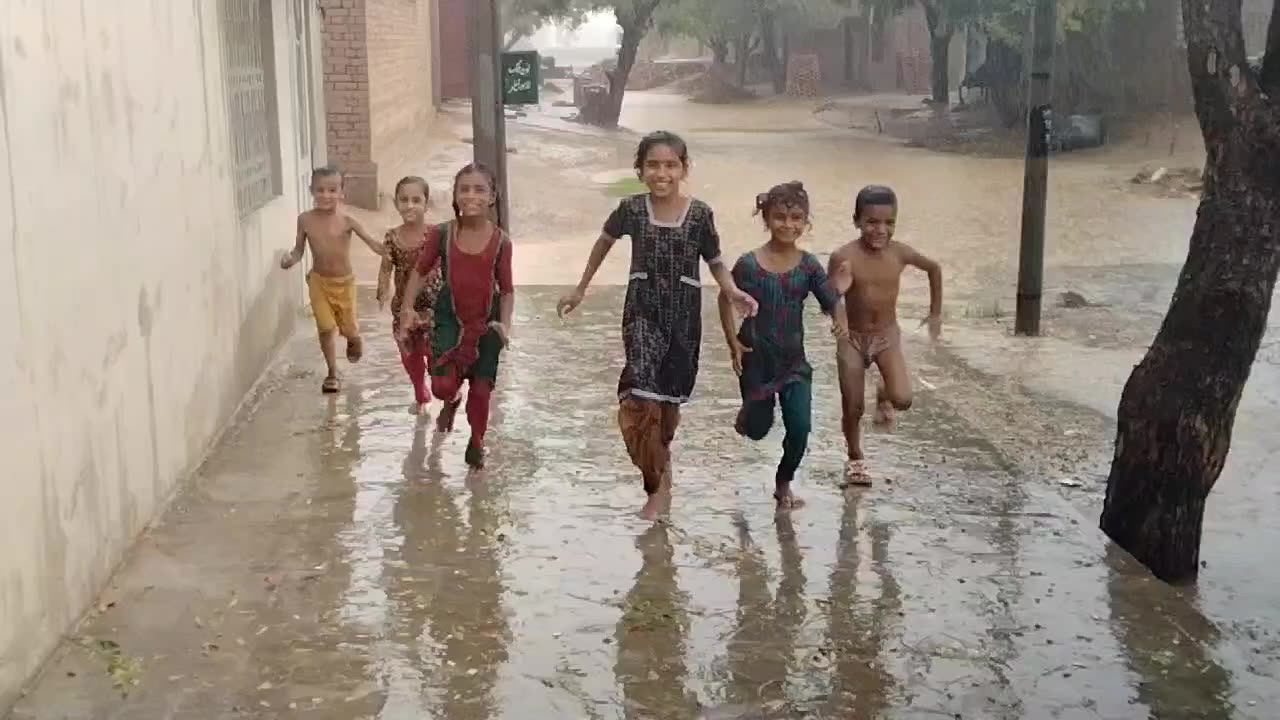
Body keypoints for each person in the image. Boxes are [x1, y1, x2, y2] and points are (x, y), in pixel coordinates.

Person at [557, 131, 759, 521]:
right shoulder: (630, 209)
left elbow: (715, 260)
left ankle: (661, 460)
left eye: (670, 165)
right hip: (642, 313)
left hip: (684, 316)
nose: (662, 172)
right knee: (638, 396)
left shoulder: (700, 214)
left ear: (684, 169)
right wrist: (580, 288)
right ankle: (653, 486)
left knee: (667, 407)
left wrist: (731, 290)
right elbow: (603, 243)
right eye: (653, 164)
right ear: (640, 170)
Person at [719, 182, 852, 511]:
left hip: (794, 364)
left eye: (796, 218)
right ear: (766, 218)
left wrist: (840, 311)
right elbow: (725, 296)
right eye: (780, 217)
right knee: (757, 430)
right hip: (756, 360)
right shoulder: (749, 265)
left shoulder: (808, 265)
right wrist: (732, 342)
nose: (788, 225)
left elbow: (828, 299)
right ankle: (746, 418)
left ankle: (783, 482)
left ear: (806, 222)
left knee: (801, 427)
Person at [398, 163, 513, 469]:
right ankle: (450, 401)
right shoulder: (442, 233)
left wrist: (505, 324)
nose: (470, 196)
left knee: (481, 389)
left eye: (479, 189)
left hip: (487, 321)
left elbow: (508, 288)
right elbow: (420, 271)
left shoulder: (501, 242)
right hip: (450, 317)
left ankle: (476, 442)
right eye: (464, 189)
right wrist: (407, 309)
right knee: (442, 387)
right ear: (455, 195)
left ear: (492, 197)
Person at [830, 185, 943, 486]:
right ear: (856, 221)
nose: (880, 230)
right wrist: (838, 305)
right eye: (871, 222)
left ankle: (884, 393)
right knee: (852, 405)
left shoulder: (901, 253)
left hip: (886, 336)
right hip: (852, 338)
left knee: (903, 399)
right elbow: (829, 296)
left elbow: (934, 269)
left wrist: (935, 313)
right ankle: (855, 459)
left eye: (888, 223)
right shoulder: (844, 256)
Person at [281, 165, 384, 393]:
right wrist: (291, 259)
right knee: (326, 328)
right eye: (320, 190)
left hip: (344, 284)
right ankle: (332, 372)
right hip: (319, 282)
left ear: (341, 192)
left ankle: (353, 338)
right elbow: (299, 250)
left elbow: (373, 243)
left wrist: (394, 250)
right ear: (311, 190)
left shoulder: (348, 221)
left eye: (331, 190)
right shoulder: (305, 220)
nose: (326, 195)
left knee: (348, 329)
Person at [377, 176, 443, 416]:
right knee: (410, 356)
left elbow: (451, 265)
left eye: (416, 200)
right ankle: (419, 392)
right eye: (404, 200)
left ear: (427, 204)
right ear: (396, 203)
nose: (410, 205)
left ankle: (442, 389)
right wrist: (382, 288)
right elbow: (386, 266)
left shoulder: (436, 235)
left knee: (434, 353)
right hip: (402, 309)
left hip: (434, 307)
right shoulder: (392, 237)